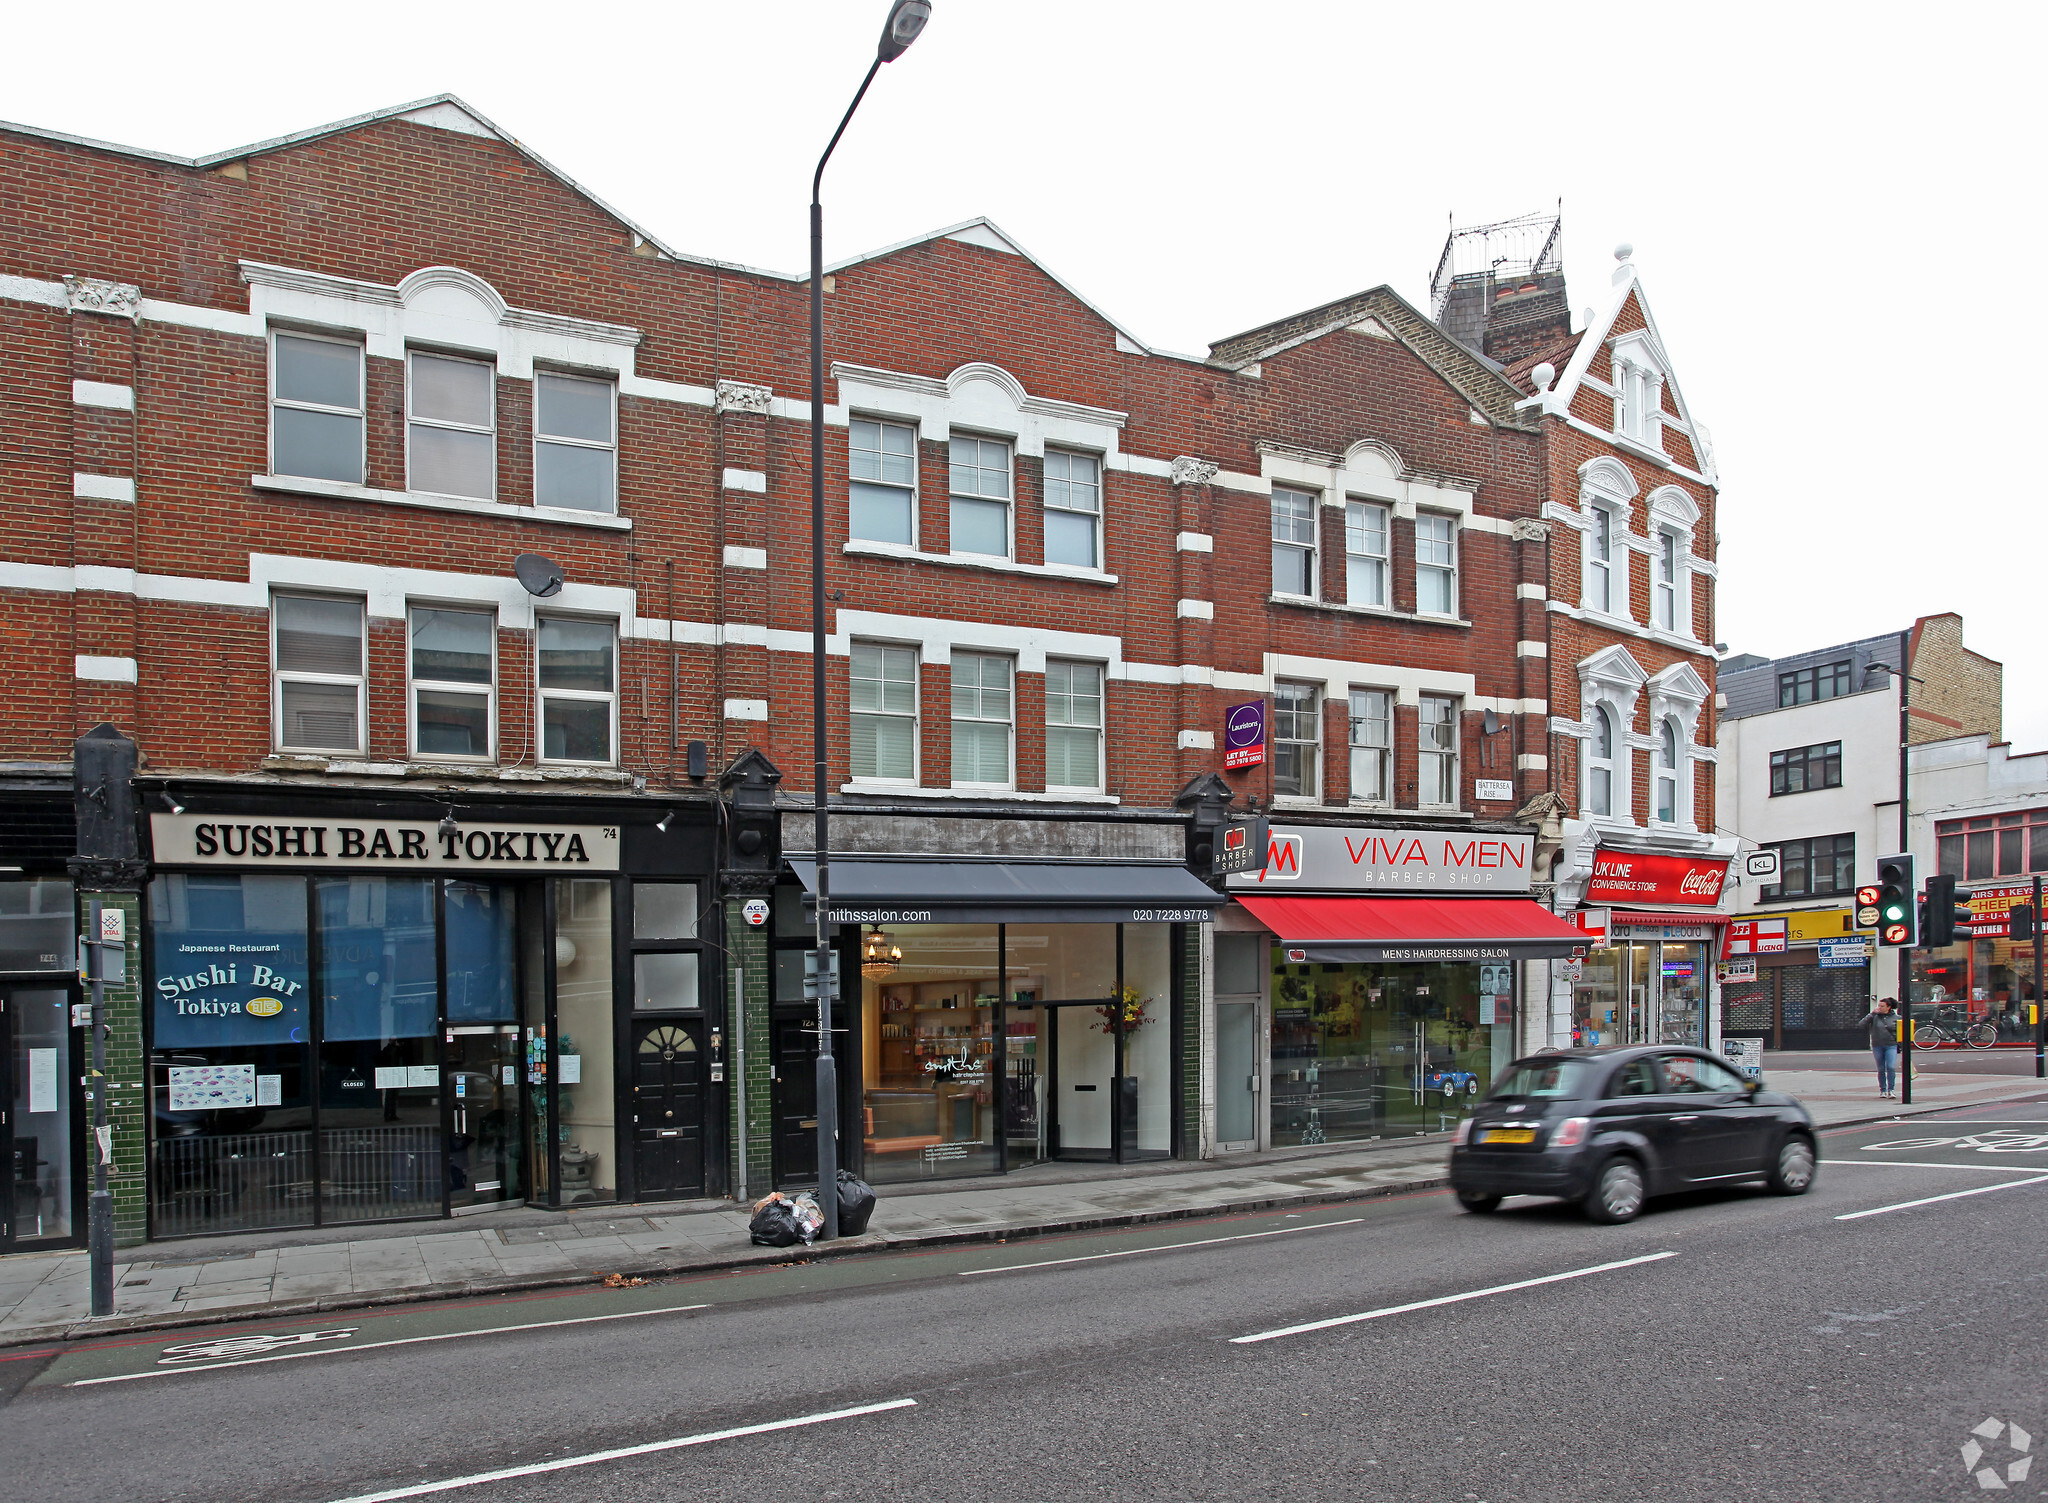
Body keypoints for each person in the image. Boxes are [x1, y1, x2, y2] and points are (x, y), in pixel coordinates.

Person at [1856, 997, 1901, 1098]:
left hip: (1891, 1045)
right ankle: (1883, 1090)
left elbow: (1901, 1031)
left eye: (1882, 1006)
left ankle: (1891, 1089)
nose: (1879, 1008)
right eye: (1879, 1006)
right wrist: (1872, 1014)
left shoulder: (1897, 1018)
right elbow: (1861, 1024)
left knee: (1890, 1067)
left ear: (1889, 1007)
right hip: (1877, 1045)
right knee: (1881, 1068)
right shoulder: (1874, 1017)